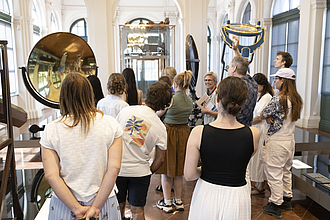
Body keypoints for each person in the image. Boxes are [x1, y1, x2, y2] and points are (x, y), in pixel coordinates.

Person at [40, 72, 123, 220]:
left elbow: (51, 175)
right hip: (104, 202)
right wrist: (96, 207)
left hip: (64, 204)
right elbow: (114, 169)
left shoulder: (52, 129)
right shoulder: (111, 124)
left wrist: (76, 208)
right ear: (89, 93)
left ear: (63, 96)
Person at [184, 76, 260, 220]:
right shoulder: (254, 134)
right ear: (244, 102)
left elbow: (189, 175)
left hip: (206, 193)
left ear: (217, 98)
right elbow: (238, 162)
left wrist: (205, 169)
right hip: (238, 196)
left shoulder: (199, 132)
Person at [115, 81, 173, 220]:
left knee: (118, 207)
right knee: (137, 211)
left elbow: (113, 137)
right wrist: (148, 171)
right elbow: (160, 159)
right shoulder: (160, 127)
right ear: (165, 105)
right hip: (140, 172)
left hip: (118, 169)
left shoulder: (126, 110)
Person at [260, 68, 303, 219]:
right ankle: (286, 199)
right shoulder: (297, 99)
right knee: (285, 171)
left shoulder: (278, 99)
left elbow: (263, 113)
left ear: (283, 80)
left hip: (277, 140)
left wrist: (266, 118)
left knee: (273, 172)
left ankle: (275, 204)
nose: (274, 81)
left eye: (276, 78)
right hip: (290, 139)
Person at [155, 71, 193, 213]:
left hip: (169, 133)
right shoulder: (189, 101)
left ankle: (167, 202)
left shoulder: (171, 100)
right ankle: (179, 200)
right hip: (184, 133)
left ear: (175, 84)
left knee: (166, 170)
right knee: (178, 170)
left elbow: (158, 114)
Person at [250, 73, 274, 195]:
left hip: (261, 129)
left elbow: (260, 116)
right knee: (256, 157)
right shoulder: (259, 96)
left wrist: (247, 121)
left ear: (262, 85)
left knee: (260, 157)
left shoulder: (267, 97)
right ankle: (258, 183)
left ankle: (261, 186)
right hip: (256, 128)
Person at [231, 37, 258, 126]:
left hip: (233, 128)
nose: (228, 70)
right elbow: (243, 67)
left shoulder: (235, 86)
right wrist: (236, 51)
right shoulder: (252, 82)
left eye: (229, 67)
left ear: (234, 69)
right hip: (247, 129)